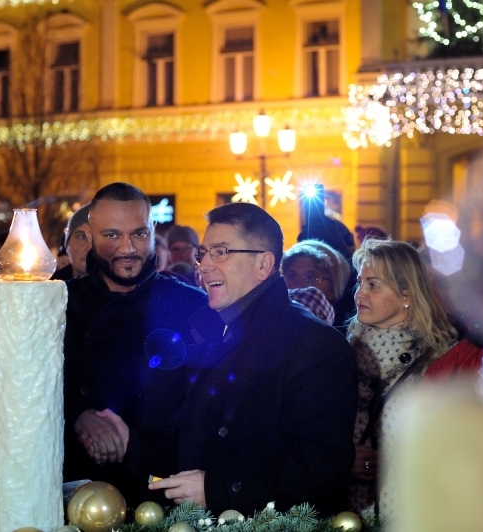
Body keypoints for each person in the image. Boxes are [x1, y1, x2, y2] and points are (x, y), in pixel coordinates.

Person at [149, 202, 357, 516]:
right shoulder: (210, 331)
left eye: (221, 252)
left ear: (264, 265)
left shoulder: (316, 345)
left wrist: (218, 490)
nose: (204, 265)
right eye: (203, 254)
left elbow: (319, 470)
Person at [63, 183, 208, 506]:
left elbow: (210, 413)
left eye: (139, 234)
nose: (128, 248)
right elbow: (27, 396)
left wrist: (136, 443)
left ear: (153, 230)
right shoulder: (60, 303)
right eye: (112, 235)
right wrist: (77, 416)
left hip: (162, 496)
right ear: (89, 234)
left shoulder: (191, 307)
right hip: (70, 492)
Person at [347, 238, 483, 519]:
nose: (359, 294)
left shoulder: (443, 358)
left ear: (407, 294)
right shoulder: (339, 354)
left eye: (373, 285)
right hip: (341, 509)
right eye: (360, 283)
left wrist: (402, 459)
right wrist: (342, 457)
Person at [281, 240, 355, 330]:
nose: (299, 285)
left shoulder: (345, 337)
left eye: (311, 277)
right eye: (292, 276)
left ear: (333, 290)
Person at [53, 204, 92, 280]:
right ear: (67, 245)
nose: (90, 247)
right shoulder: (48, 288)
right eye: (81, 237)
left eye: (95, 239)